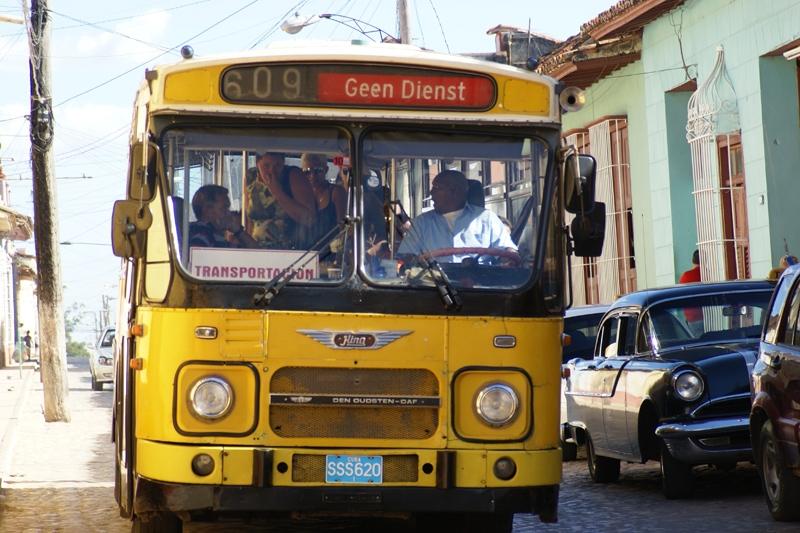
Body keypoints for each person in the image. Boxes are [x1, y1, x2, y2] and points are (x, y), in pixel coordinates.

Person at [397, 169, 517, 262]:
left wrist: (508, 260)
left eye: (436, 187)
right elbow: (406, 256)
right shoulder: (421, 223)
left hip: (480, 285)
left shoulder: (487, 218)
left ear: (454, 191)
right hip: (434, 285)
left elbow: (508, 250)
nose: (431, 192)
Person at [246, 152, 315, 249]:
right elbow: (249, 219)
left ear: (283, 163)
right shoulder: (251, 177)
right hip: (256, 250)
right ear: (257, 163)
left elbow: (309, 219)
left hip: (288, 250)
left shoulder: (293, 176)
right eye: (266, 165)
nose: (272, 171)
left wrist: (277, 192)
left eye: (277, 166)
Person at [188, 185, 257, 249]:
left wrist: (238, 231)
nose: (228, 213)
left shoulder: (215, 236)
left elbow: (257, 254)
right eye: (224, 208)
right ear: (208, 210)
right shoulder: (202, 233)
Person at [300, 152, 347, 246]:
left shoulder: (336, 193)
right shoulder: (300, 194)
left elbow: (343, 229)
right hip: (303, 254)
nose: (312, 176)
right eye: (307, 171)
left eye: (318, 170)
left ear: (326, 170)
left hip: (329, 254)